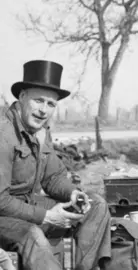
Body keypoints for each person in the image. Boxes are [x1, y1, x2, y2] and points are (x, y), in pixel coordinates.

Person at [0, 60, 111, 270]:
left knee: (96, 205)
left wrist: (72, 193)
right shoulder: (3, 135)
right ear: (22, 97)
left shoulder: (41, 131)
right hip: (3, 216)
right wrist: (48, 216)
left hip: (27, 206)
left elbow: (53, 177)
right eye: (38, 101)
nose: (43, 110)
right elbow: (0, 200)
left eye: (50, 104)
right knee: (33, 234)